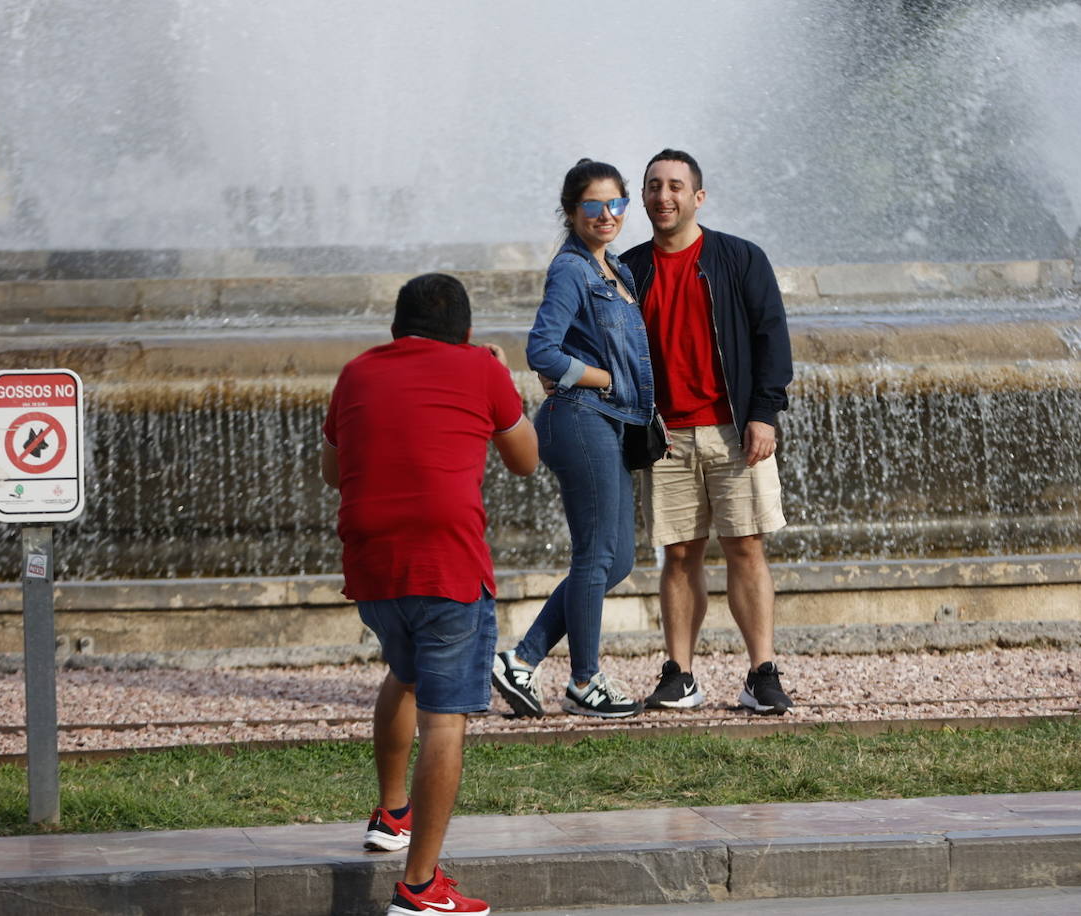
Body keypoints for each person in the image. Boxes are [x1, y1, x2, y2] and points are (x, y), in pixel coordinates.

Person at [321, 272, 537, 916]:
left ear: (395, 329)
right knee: (446, 719)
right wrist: (502, 375)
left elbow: (333, 470)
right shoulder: (480, 369)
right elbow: (525, 460)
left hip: (374, 570)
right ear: (467, 332)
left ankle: (391, 818)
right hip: (446, 566)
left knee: (404, 675)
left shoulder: (357, 373)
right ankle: (419, 889)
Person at [619, 149, 796, 716]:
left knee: (746, 548)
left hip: (733, 430)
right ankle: (680, 674)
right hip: (665, 436)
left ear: (698, 196)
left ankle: (761, 672)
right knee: (678, 555)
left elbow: (772, 338)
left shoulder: (739, 258)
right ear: (642, 197)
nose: (662, 196)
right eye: (652, 186)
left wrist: (764, 413)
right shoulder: (628, 268)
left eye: (675, 186)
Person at [491, 158, 655, 719]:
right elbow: (542, 350)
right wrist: (602, 377)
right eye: (593, 206)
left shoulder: (616, 272)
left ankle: (521, 657)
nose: (606, 215)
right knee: (595, 554)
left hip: (609, 422)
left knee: (619, 560)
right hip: (579, 418)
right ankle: (585, 680)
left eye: (616, 204)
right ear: (571, 211)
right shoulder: (571, 270)